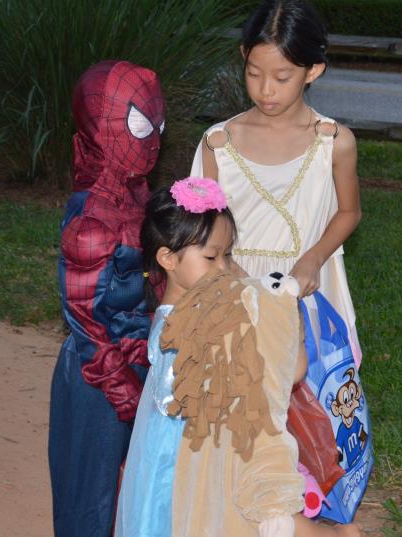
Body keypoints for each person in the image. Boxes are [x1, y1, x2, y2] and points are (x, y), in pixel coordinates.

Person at [116, 178, 360, 537]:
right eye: (211, 257)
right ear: (167, 258)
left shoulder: (190, 313)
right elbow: (291, 371)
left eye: (228, 255)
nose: (224, 267)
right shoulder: (194, 323)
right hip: (188, 459)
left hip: (200, 453)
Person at [191, 0, 363, 367]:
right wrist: (228, 270)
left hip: (306, 284)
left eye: (282, 77)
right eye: (254, 73)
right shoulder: (218, 142)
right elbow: (198, 228)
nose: (266, 89)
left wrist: (313, 260)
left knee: (306, 400)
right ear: (243, 57)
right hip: (233, 283)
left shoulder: (334, 142)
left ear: (313, 70)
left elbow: (349, 211)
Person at [48, 60, 165, 537]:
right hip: (99, 379)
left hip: (138, 363)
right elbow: (88, 324)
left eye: (158, 123)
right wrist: (126, 394)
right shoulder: (92, 219)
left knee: (132, 494)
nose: (153, 137)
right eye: (139, 123)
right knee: (89, 501)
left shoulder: (137, 195)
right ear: (102, 125)